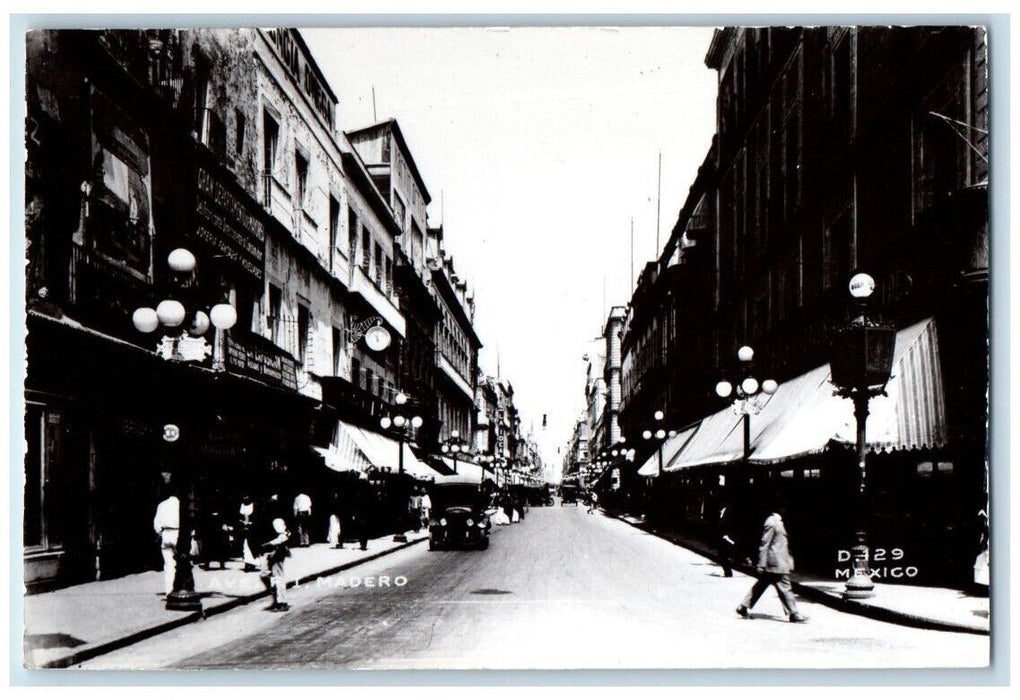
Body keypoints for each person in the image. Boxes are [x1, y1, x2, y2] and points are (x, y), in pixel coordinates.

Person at [736, 508, 807, 623]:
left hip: (779, 562)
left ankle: (743, 606)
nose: (786, 510)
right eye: (784, 508)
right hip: (775, 563)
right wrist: (761, 564)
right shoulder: (772, 522)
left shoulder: (780, 522)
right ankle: (794, 613)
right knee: (785, 587)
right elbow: (765, 543)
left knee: (761, 585)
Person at [260, 515, 292, 612]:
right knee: (265, 575)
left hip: (278, 553)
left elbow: (281, 539)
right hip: (270, 554)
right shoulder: (272, 522)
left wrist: (267, 545)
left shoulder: (281, 528)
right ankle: (276, 600)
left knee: (278, 578)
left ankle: (282, 602)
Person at [153, 494, 180, 597]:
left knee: (168, 564)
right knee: (181, 562)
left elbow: (156, 524)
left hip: (166, 534)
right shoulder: (180, 505)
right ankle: (178, 587)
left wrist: (161, 533)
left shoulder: (162, 505)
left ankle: (169, 590)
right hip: (178, 533)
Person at [239, 494, 259, 571]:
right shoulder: (241, 506)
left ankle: (253, 563)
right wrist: (242, 522)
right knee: (245, 546)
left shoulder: (254, 505)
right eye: (244, 496)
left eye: (247, 496)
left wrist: (251, 523)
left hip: (253, 529)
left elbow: (258, 518)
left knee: (252, 546)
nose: (245, 498)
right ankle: (247, 563)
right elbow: (239, 517)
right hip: (243, 528)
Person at [717, 503, 735, 577]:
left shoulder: (729, 511)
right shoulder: (722, 512)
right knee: (722, 555)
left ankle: (728, 572)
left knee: (723, 555)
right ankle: (728, 572)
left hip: (727, 538)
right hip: (723, 538)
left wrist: (728, 535)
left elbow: (730, 524)